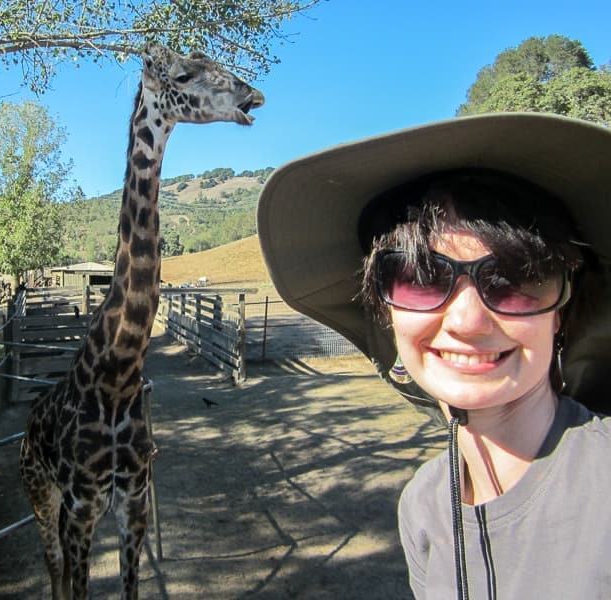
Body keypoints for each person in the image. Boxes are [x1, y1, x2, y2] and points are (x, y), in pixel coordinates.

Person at [257, 112, 611, 599]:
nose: (467, 321)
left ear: (562, 313)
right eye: (421, 278)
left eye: (513, 280)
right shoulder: (425, 506)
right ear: (386, 311)